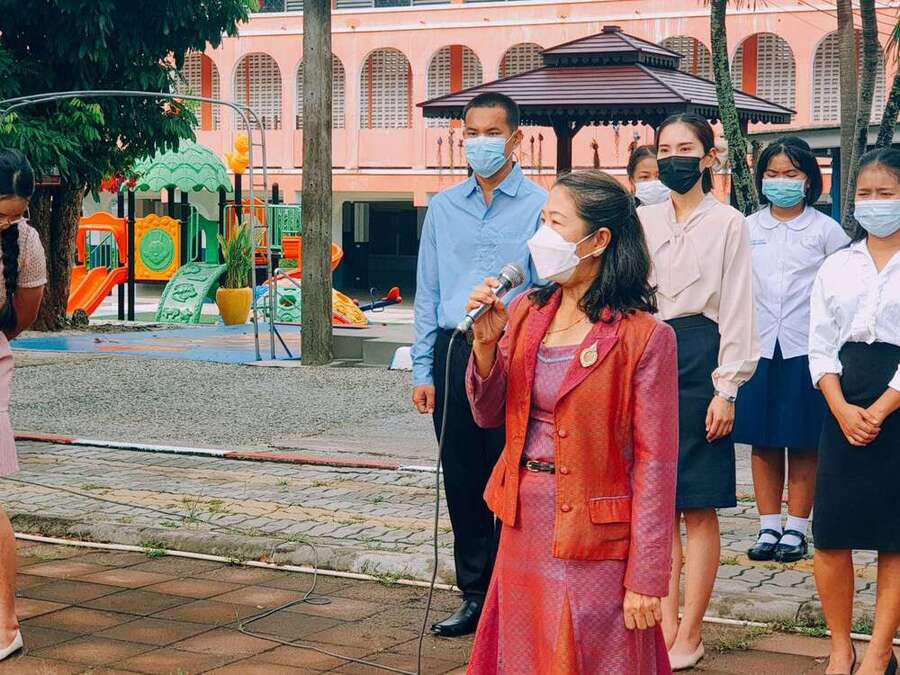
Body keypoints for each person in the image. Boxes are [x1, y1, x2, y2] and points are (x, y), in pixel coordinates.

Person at [464, 170, 677, 674]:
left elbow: (656, 465)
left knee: (590, 653)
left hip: (595, 535)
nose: (542, 236)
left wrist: (646, 577)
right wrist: (486, 347)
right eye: (542, 221)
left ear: (598, 240)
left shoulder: (644, 337)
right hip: (523, 521)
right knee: (523, 652)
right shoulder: (526, 311)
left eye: (556, 223)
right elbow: (490, 413)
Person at [411, 92, 546, 637]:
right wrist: (422, 369)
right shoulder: (443, 207)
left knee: (515, 472)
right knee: (463, 475)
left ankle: (516, 592)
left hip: (516, 351)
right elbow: (427, 292)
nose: (480, 143)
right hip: (456, 349)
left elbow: (548, 290)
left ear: (515, 139)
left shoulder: (541, 206)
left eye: (492, 133)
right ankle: (474, 593)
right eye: (472, 133)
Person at [637, 113, 759, 671]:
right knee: (657, 502)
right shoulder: (642, 218)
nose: (673, 158)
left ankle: (691, 631)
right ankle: (663, 625)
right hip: (647, 353)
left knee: (698, 503)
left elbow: (737, 306)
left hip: (701, 355)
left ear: (709, 157)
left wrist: (726, 388)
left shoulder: (729, 223)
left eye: (685, 148)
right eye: (664, 149)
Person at [734, 137, 850, 564]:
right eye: (772, 174)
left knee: (802, 441)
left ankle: (797, 528)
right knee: (763, 440)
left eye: (790, 174)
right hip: (759, 346)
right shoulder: (746, 228)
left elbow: (842, 288)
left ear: (808, 179)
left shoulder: (827, 231)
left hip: (806, 347)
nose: (780, 181)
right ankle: (768, 525)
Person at [809, 147, 900, 675]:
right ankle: (840, 647)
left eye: (886, 193)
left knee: (895, 536)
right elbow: (820, 344)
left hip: (897, 402)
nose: (874, 202)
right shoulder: (837, 265)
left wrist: (882, 408)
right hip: (841, 400)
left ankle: (880, 652)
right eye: (865, 193)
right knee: (831, 533)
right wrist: (842, 408)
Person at [0, 149, 47, 662]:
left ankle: (6, 625)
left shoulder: (26, 242)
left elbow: (21, 318)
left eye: (15, 214)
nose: (9, 223)